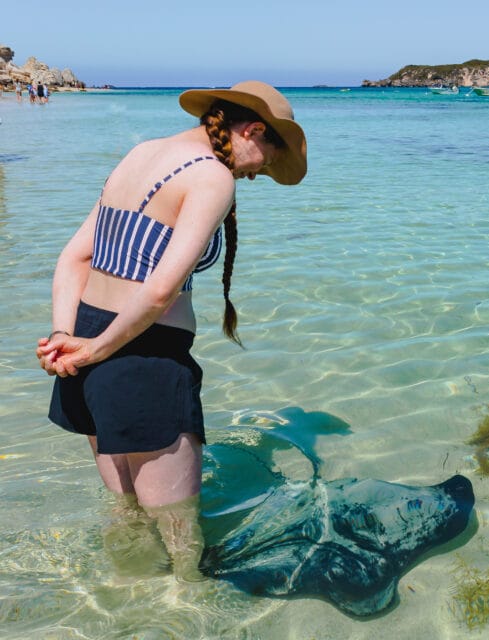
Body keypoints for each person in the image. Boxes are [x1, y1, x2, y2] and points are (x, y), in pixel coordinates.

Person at [36, 81, 307, 579]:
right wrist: (96, 351)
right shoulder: (210, 177)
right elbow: (159, 293)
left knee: (128, 513)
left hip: (84, 336)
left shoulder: (142, 153)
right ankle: (190, 611)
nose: (257, 175)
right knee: (181, 534)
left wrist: (65, 337)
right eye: (267, 160)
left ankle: (130, 602)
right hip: (142, 357)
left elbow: (75, 256)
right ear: (254, 130)